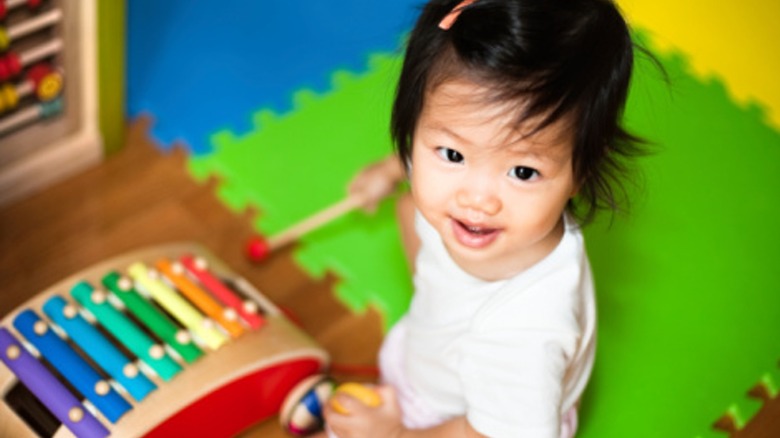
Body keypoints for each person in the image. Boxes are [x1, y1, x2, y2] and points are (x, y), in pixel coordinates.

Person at [321, 0, 644, 436]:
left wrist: (392, 434)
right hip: (441, 364)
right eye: (453, 154)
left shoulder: (524, 333)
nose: (477, 199)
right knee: (410, 206)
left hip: (472, 423)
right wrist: (390, 169)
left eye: (523, 172)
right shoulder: (473, 199)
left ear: (580, 172)